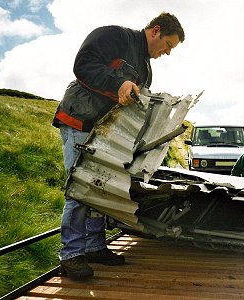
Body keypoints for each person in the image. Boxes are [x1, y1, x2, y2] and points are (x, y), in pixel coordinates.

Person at [52, 12, 185, 280]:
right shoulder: (114, 35)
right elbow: (83, 64)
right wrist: (119, 82)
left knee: (99, 186)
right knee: (81, 188)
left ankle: (94, 247)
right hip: (81, 121)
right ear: (156, 31)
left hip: (108, 131)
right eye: (168, 45)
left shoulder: (146, 68)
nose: (167, 53)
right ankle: (71, 256)